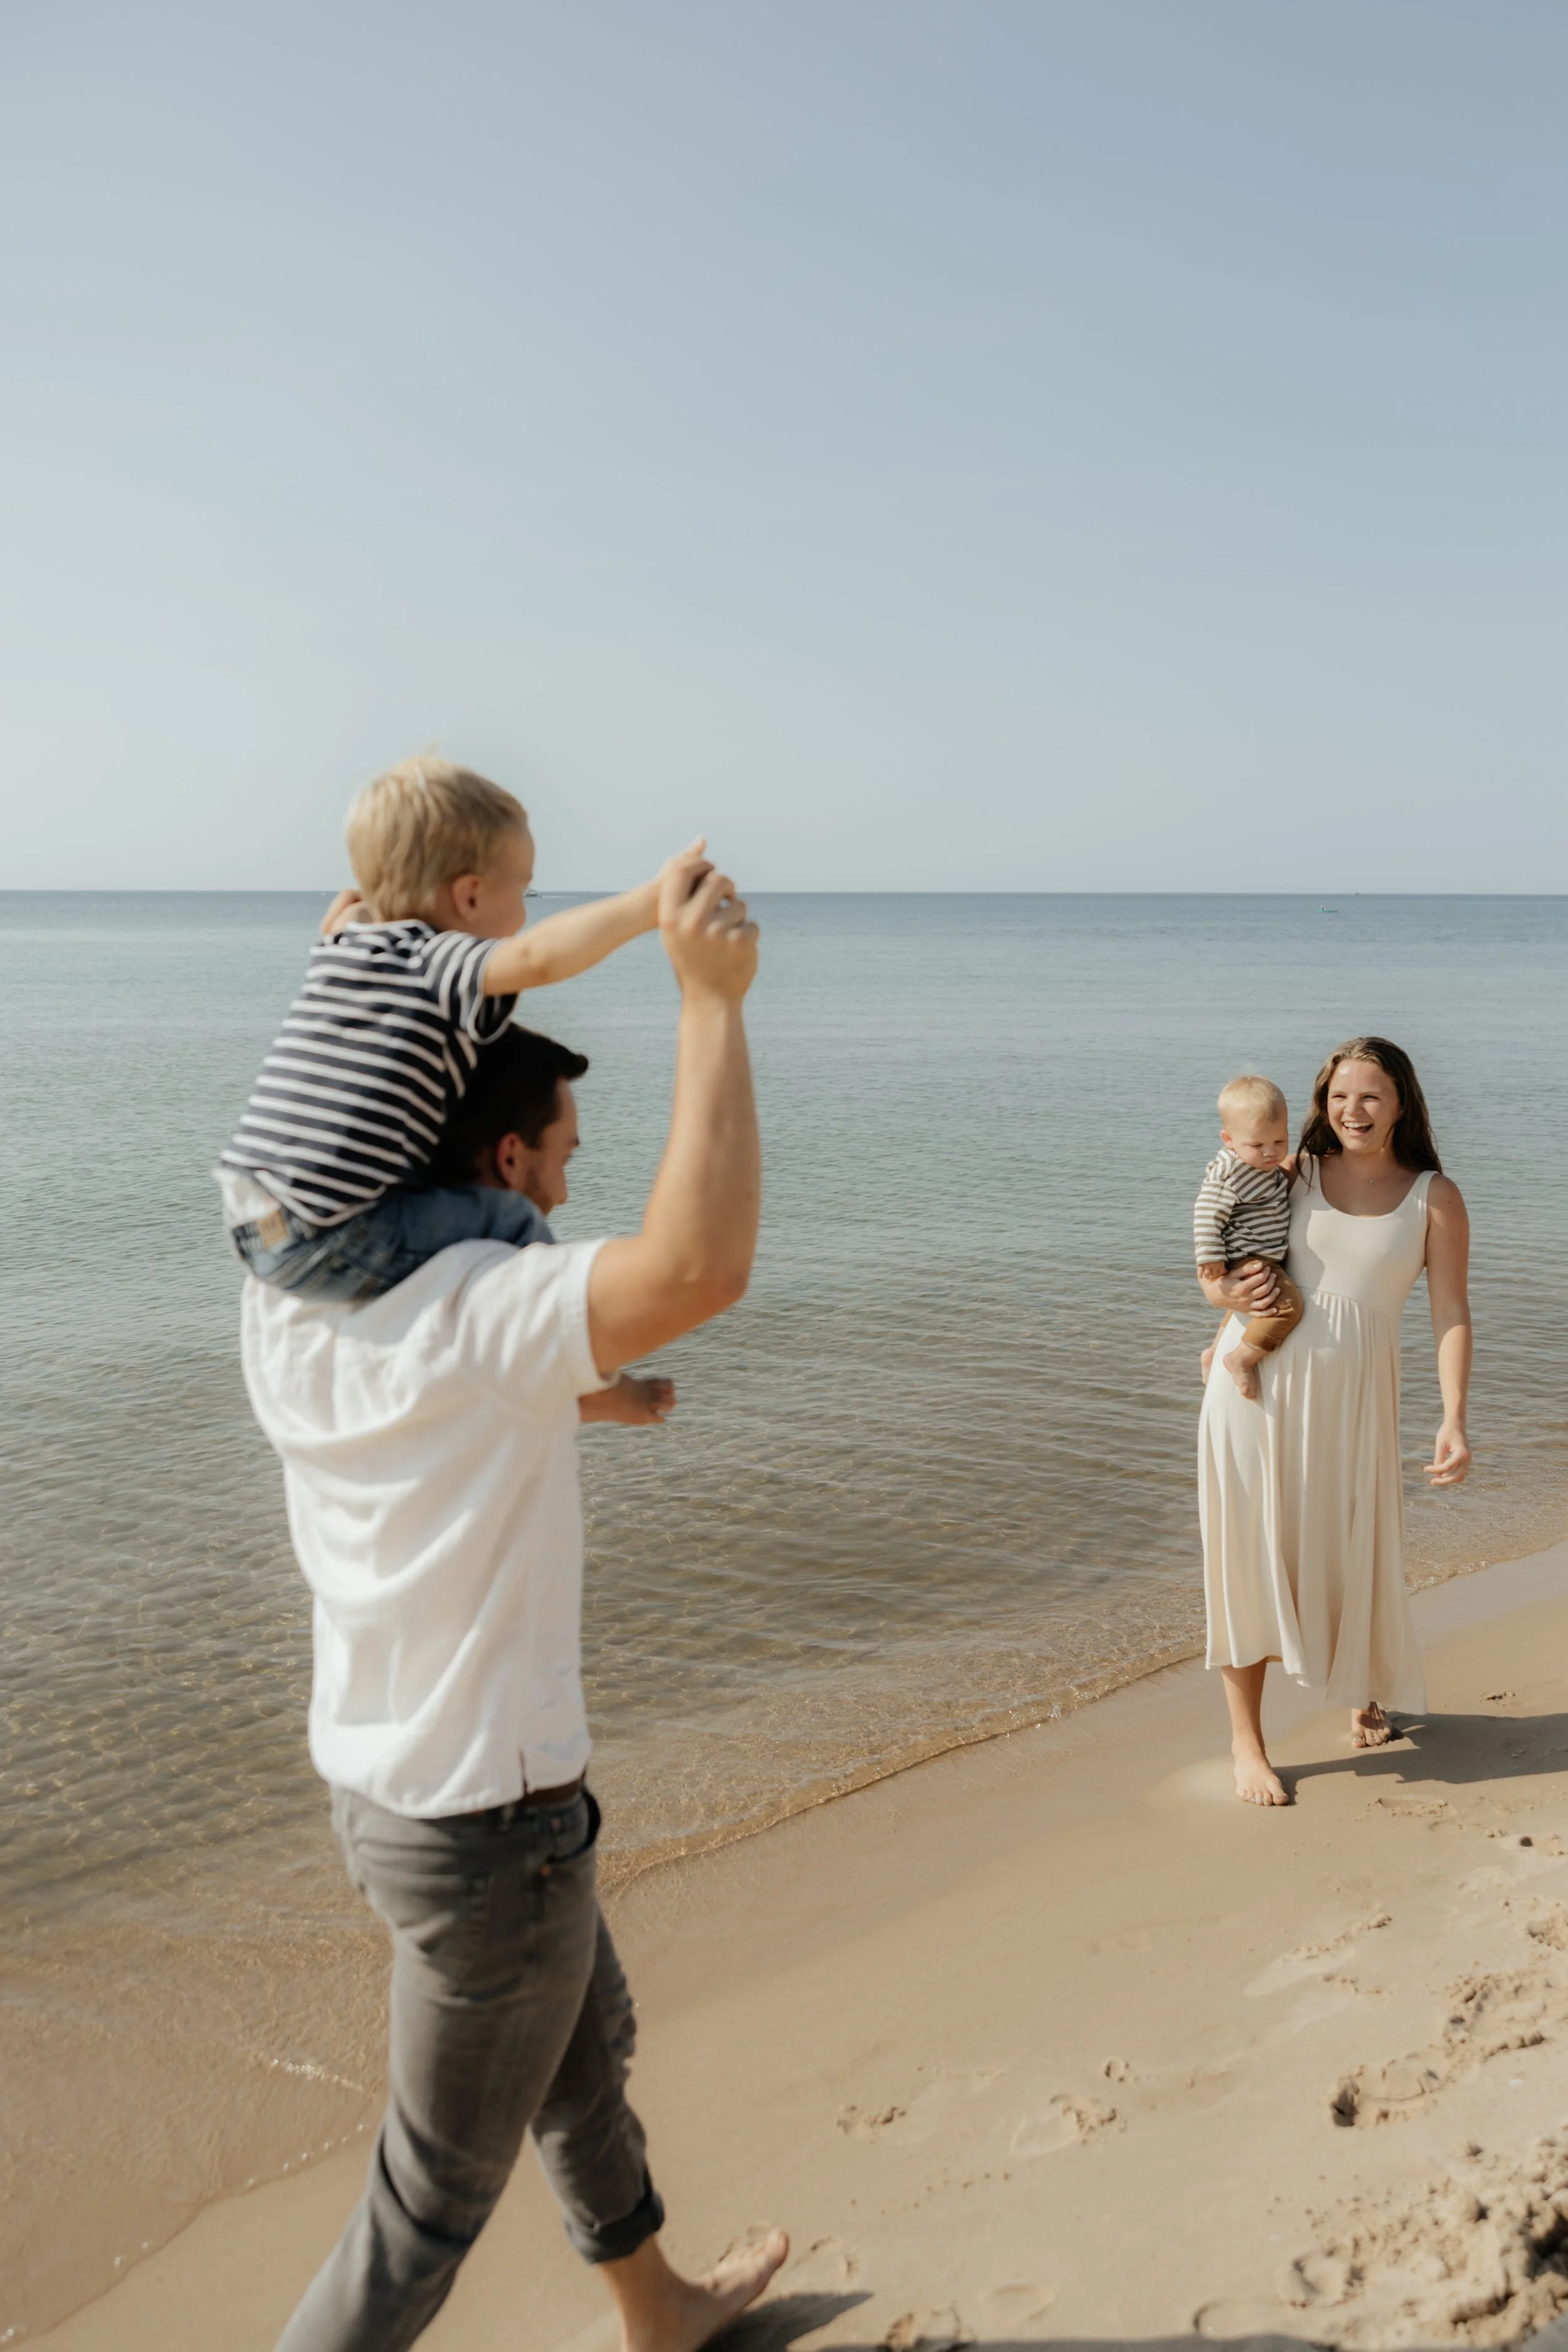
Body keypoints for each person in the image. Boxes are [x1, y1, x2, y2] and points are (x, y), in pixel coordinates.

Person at [239, 856, 788, 2351]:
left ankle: (656, 2302)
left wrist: (581, 1407)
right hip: (492, 1823)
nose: (562, 1182)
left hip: (381, 1790)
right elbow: (701, 1261)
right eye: (553, 1155)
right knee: (423, 2207)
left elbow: (429, 1415)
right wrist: (709, 1002)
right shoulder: (485, 1304)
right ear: (494, 1152)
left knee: (581, 2047)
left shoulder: (289, 1297)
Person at [217, 751, 704, 1301]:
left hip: (252, 1215)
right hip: (332, 1230)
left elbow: (348, 911)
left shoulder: (346, 945)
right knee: (517, 1225)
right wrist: (652, 901)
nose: (524, 912)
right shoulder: (430, 960)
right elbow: (538, 958)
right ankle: (582, 1380)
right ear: (470, 896)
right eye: (521, 889)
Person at [1199, 1037, 1473, 1807]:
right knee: (1248, 1553)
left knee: (1355, 1544)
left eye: (1371, 1096)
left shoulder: (1434, 1197)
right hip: (1254, 1393)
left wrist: (1453, 1417)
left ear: (1401, 1104)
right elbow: (1228, 1250)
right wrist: (1221, 1316)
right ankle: (1246, 1742)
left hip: (1355, 1399)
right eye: (1339, 1096)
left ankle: (1363, 1683)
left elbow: (1450, 1313)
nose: (1352, 1110)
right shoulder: (1293, 1172)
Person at [1193, 1074, 1305, 1400]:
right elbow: (1207, 1212)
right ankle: (1241, 1359)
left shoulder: (1262, 1167)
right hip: (1247, 1255)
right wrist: (1211, 1256)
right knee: (1285, 1308)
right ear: (1228, 1139)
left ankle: (1214, 1351)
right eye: (1257, 1145)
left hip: (1259, 1253)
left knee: (1240, 1309)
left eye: (1280, 1141)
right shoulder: (1233, 1172)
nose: (1271, 1153)